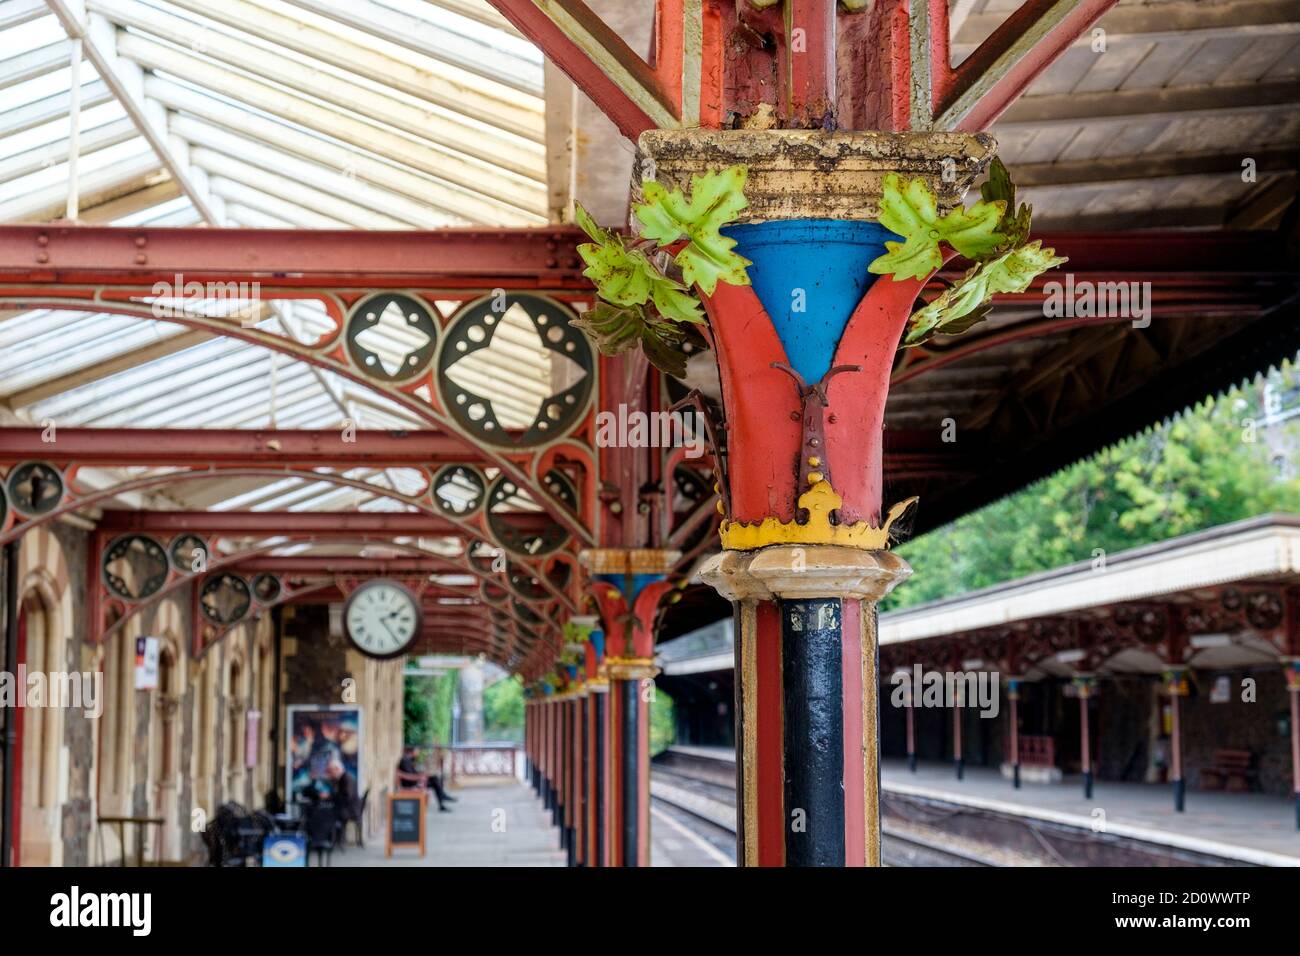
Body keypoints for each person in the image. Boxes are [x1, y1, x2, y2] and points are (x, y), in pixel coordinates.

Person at [396, 746, 456, 811]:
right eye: (417, 751)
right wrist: (420, 777)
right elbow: (409, 775)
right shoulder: (405, 760)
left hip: (413, 781)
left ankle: (442, 799)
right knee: (435, 781)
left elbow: (412, 773)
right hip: (410, 784)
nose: (418, 752)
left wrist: (421, 775)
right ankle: (442, 798)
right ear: (412, 751)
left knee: (434, 779)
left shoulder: (408, 759)